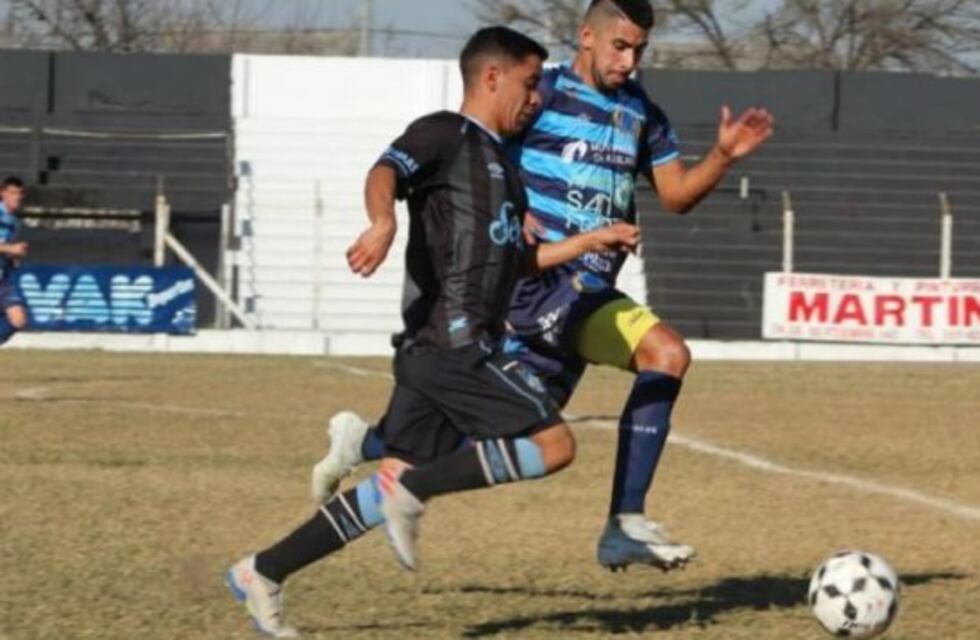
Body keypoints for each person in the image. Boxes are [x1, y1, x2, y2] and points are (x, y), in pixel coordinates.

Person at [314, 0, 775, 573]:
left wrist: (724, 156)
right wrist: (511, 210)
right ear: (588, 36)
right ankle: (370, 449)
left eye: (639, 50)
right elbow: (482, 149)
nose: (629, 61)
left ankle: (620, 522)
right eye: (619, 46)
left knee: (649, 364)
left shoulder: (642, 115)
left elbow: (677, 195)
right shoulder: (541, 93)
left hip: (587, 291)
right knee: (494, 436)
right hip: (531, 289)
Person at [227, 26, 640, 638]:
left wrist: (586, 242)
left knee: (384, 487)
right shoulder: (446, 132)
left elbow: (514, 262)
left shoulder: (505, 164)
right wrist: (381, 222)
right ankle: (404, 482)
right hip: (455, 343)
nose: (535, 99)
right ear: (493, 76)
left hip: (434, 353)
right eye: (529, 85)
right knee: (555, 445)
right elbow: (384, 170)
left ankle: (261, 570)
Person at [0, 176, 28, 347]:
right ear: (2, 193)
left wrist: (13, 258)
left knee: (17, 319)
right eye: (12, 192)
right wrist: (11, 249)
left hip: (3, 279)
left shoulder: (14, 222)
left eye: (19, 193)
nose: (16, 196)